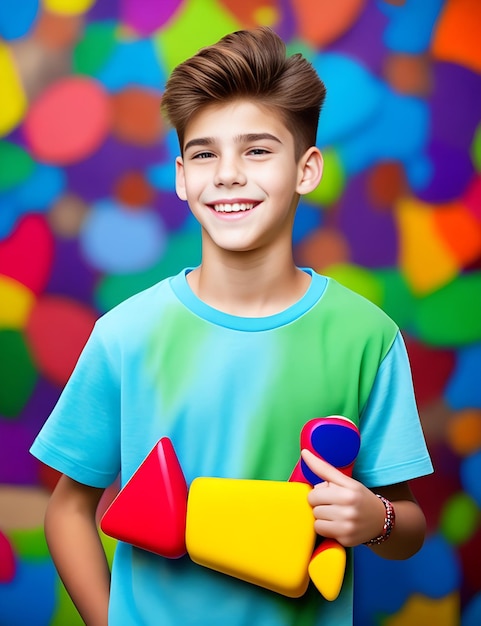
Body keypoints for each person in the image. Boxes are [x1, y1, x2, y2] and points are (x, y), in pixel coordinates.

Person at [30, 27, 433, 626]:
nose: (227, 175)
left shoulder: (366, 334)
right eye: (204, 154)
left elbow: (407, 524)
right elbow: (68, 511)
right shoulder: (126, 333)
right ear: (182, 177)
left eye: (257, 150)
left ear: (307, 169)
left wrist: (379, 520)